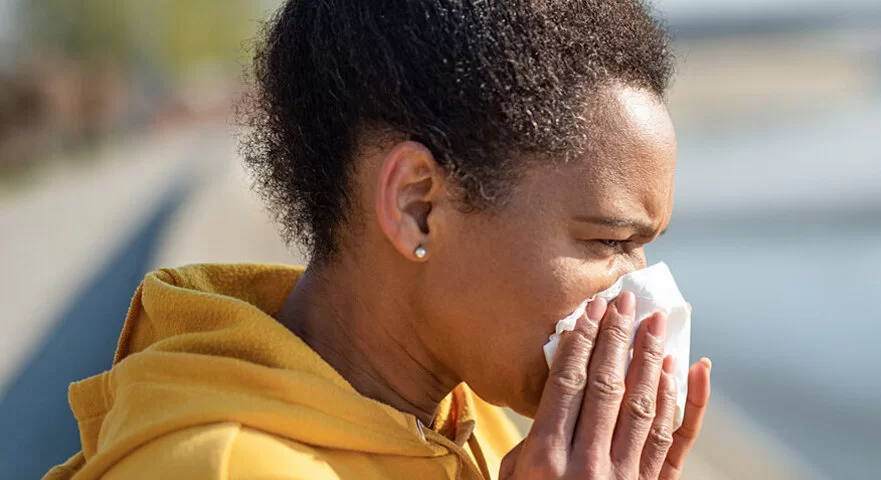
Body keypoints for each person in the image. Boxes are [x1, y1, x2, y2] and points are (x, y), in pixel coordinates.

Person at [44, 0, 711, 478]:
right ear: (418, 205)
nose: (641, 290)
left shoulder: (472, 420)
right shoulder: (219, 466)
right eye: (609, 242)